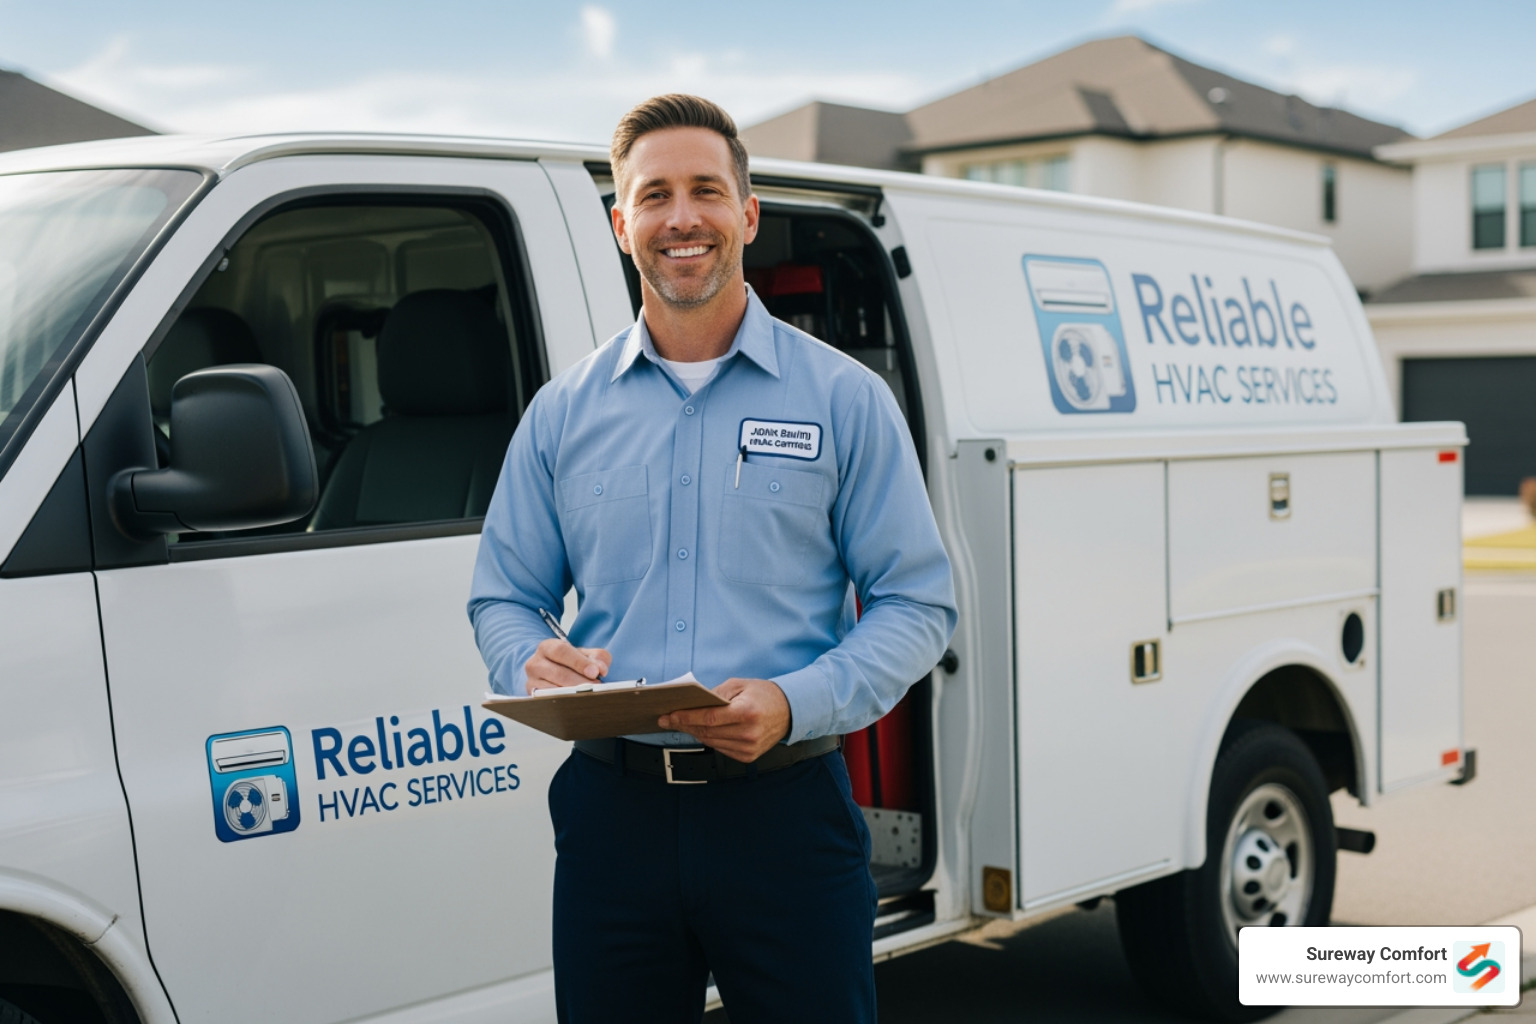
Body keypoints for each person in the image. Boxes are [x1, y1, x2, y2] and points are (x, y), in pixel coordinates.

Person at [468, 93, 956, 1024]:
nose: (681, 218)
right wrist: (526, 659)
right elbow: (505, 596)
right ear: (622, 224)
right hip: (614, 824)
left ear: (748, 213)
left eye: (705, 191)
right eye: (654, 197)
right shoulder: (562, 415)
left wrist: (794, 701)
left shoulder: (843, 401)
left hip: (786, 816)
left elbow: (917, 604)